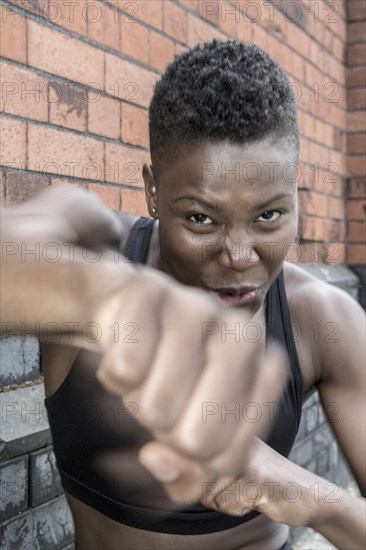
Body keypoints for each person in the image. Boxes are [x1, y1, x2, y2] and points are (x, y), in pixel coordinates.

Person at [2, 39, 365, 549]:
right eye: (200, 218)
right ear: (153, 189)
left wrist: (321, 501)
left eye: (269, 216)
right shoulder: (94, 241)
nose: (239, 255)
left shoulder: (324, 318)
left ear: (295, 192)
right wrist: (109, 300)